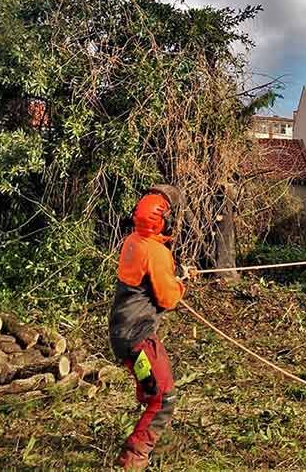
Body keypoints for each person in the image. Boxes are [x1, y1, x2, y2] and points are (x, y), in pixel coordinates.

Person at [109, 183, 193, 470]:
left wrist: (176, 273)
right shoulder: (156, 253)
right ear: (165, 220)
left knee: (151, 390)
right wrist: (182, 283)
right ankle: (134, 458)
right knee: (163, 397)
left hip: (124, 336)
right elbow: (168, 298)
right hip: (139, 340)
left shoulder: (134, 240)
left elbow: (152, 275)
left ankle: (153, 439)